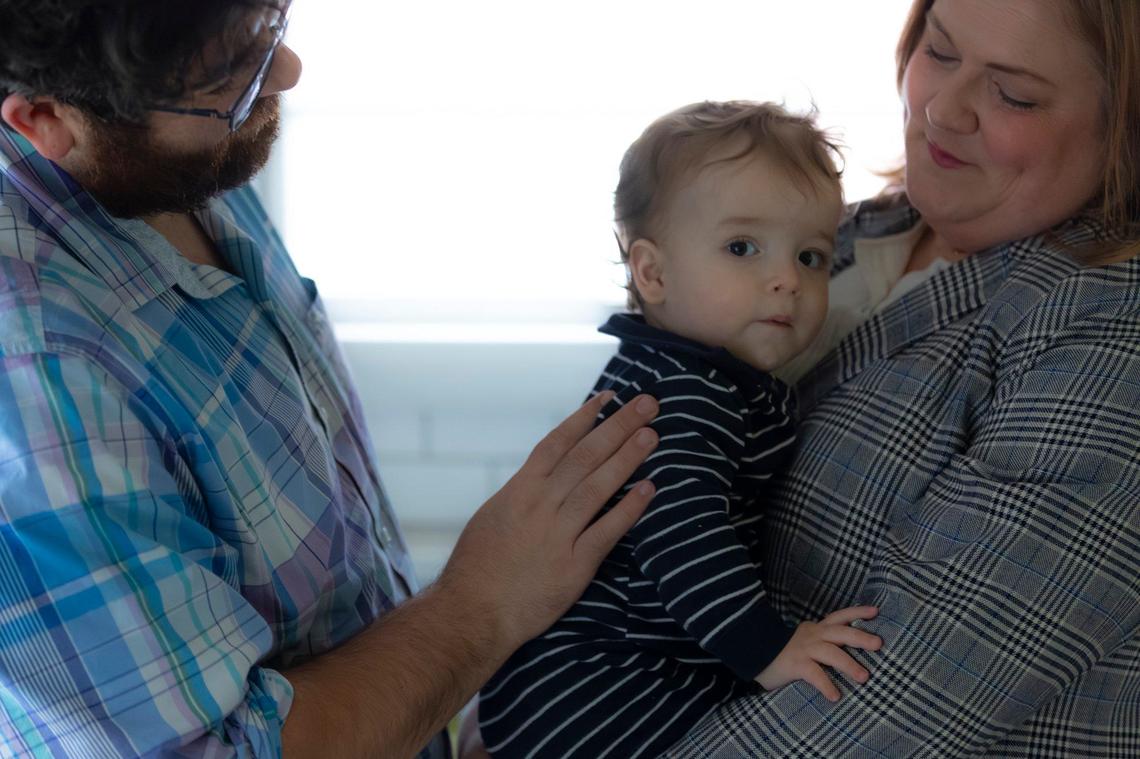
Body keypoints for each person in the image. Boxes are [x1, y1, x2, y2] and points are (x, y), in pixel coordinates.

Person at [0, 2, 665, 757]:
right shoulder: (35, 376)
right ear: (46, 118)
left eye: (268, 31)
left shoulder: (166, 155)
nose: (284, 73)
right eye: (231, 77)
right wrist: (483, 606)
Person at [660, 0, 1140, 756]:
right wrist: (520, 682)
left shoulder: (1110, 340)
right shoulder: (846, 234)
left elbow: (895, 705)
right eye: (940, 52)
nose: (943, 110)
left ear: (1125, 132)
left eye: (1012, 94)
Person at [478, 101, 883, 759]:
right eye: (742, 248)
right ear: (654, 272)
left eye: (811, 255)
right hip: (601, 681)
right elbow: (681, 533)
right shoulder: (688, 392)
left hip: (589, 673)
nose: (786, 280)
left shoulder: (682, 368)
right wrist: (768, 648)